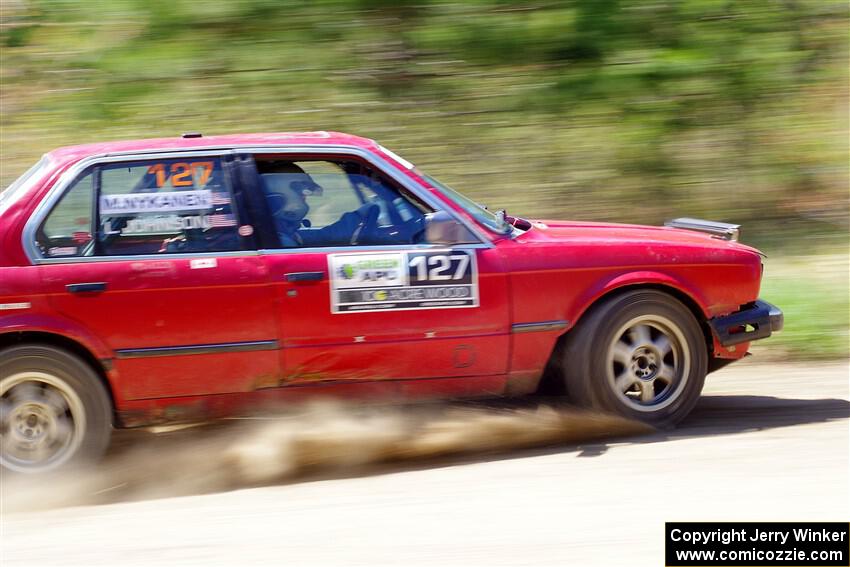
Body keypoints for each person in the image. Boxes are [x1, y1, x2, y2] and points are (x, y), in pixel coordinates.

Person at [260, 163, 380, 247]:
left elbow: (322, 236)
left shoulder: (280, 230)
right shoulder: (281, 241)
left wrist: (356, 217)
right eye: (303, 195)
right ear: (285, 193)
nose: (305, 200)